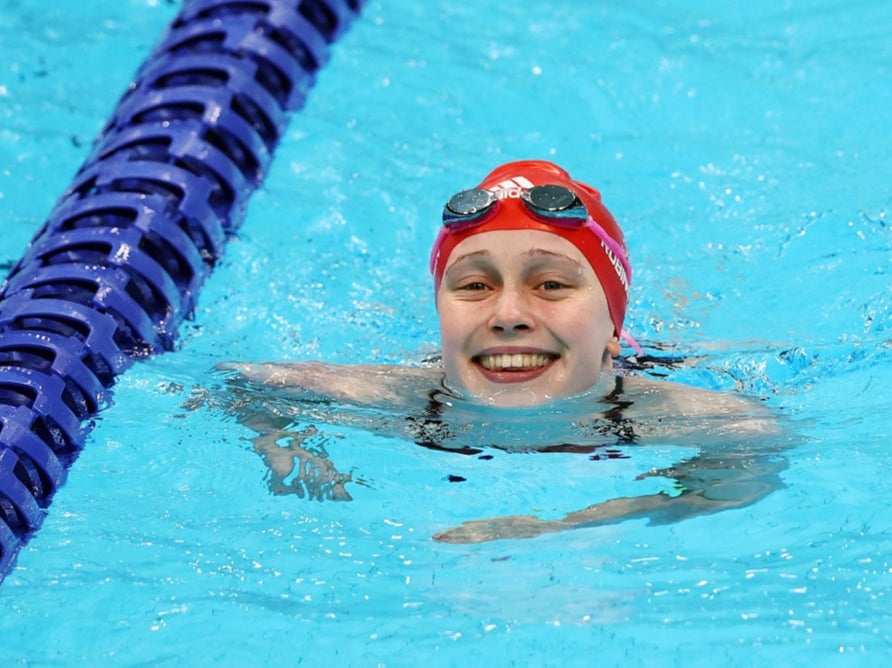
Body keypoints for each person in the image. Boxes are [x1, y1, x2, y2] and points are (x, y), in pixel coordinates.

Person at [215, 160, 794, 542]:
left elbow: (751, 455)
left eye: (551, 285)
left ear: (613, 326)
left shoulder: (662, 412)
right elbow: (239, 383)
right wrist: (286, 448)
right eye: (473, 286)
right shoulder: (400, 397)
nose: (508, 315)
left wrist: (562, 525)